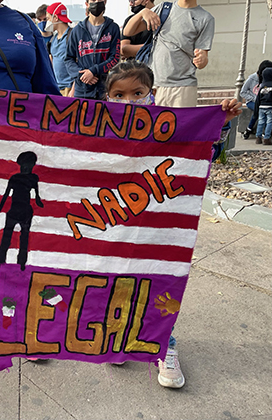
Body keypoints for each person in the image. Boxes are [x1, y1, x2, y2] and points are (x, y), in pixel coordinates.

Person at [103, 60, 241, 388]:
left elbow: (203, 150)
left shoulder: (169, 129)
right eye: (119, 95)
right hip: (114, 225)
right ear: (106, 98)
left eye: (138, 93)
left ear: (152, 95)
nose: (129, 101)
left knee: (159, 283)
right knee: (117, 283)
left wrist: (220, 121)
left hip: (157, 228)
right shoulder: (100, 131)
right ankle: (124, 338)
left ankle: (164, 343)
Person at [123, 0, 215, 107]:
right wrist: (142, 13)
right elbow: (128, 31)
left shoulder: (205, 18)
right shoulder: (164, 8)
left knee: (181, 123)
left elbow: (203, 56)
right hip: (153, 85)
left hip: (183, 87)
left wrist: (202, 59)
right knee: (153, 123)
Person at [65, 0, 121, 99]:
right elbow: (69, 59)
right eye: (94, 0)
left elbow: (115, 57)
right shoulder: (76, 31)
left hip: (104, 89)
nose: (97, 2)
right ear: (87, 3)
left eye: (100, 0)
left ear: (105, 3)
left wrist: (93, 71)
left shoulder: (113, 28)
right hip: (82, 90)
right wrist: (83, 75)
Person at [45, 2, 74, 96]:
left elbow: (80, 64)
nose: (47, 22)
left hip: (69, 89)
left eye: (48, 18)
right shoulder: (53, 39)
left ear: (56, 18)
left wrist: (73, 90)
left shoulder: (72, 37)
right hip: (57, 87)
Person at [241, 60, 272, 139]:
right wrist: (254, 98)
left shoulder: (268, 80)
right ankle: (249, 129)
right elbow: (243, 92)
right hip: (252, 101)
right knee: (258, 109)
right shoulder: (252, 78)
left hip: (265, 102)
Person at [253, 67, 272, 145]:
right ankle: (267, 138)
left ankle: (258, 137)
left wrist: (256, 110)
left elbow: (258, 99)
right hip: (270, 107)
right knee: (269, 122)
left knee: (261, 122)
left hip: (261, 107)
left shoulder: (262, 86)